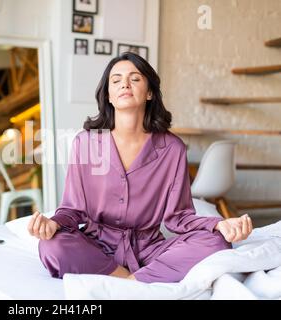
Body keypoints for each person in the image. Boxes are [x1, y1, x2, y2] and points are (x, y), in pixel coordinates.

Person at [28, 52, 253, 283]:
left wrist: (219, 224)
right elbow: (72, 210)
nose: (124, 83)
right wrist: (53, 223)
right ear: (108, 95)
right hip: (95, 246)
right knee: (52, 245)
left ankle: (133, 282)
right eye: (115, 80)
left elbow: (179, 217)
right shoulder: (86, 143)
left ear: (149, 92)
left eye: (135, 78)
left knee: (217, 242)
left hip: (149, 250)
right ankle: (128, 280)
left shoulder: (172, 148)